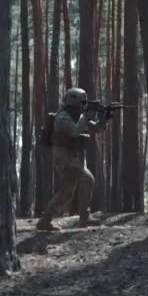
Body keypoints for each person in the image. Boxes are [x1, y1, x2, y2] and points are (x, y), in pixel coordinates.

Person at [37, 87, 111, 231]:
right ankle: (84, 220)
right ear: (74, 102)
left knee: (66, 193)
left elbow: (96, 129)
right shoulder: (63, 117)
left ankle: (45, 221)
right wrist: (86, 116)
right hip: (63, 157)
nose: (84, 105)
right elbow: (75, 131)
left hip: (72, 157)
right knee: (87, 180)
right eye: (82, 102)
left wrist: (104, 118)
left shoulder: (77, 116)